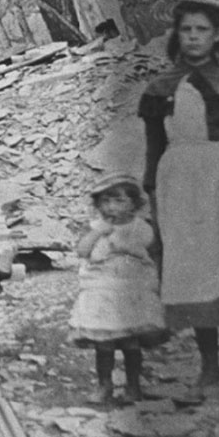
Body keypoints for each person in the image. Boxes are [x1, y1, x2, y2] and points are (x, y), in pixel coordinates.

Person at [139, 0, 219, 403]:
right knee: (191, 271)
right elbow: (154, 146)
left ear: (217, 35)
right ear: (178, 35)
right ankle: (209, 367)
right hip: (179, 182)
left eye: (202, 30)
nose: (193, 36)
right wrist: (152, 193)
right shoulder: (161, 88)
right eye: (187, 29)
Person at [68, 173, 168, 405]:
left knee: (130, 341)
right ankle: (105, 385)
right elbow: (82, 251)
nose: (111, 207)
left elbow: (149, 250)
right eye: (105, 201)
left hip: (130, 291)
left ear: (134, 204)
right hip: (101, 292)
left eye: (119, 201)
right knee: (104, 342)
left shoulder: (139, 228)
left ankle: (133, 386)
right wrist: (97, 233)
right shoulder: (96, 227)